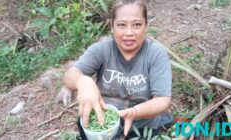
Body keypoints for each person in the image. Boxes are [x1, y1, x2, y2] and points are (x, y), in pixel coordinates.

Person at [64, 0, 173, 138]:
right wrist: (83, 81)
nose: (129, 33)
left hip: (141, 126)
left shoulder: (155, 53)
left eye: (137, 25)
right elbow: (70, 75)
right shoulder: (102, 49)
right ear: (112, 26)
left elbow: (162, 99)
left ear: (146, 25)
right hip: (103, 124)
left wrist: (134, 112)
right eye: (121, 25)